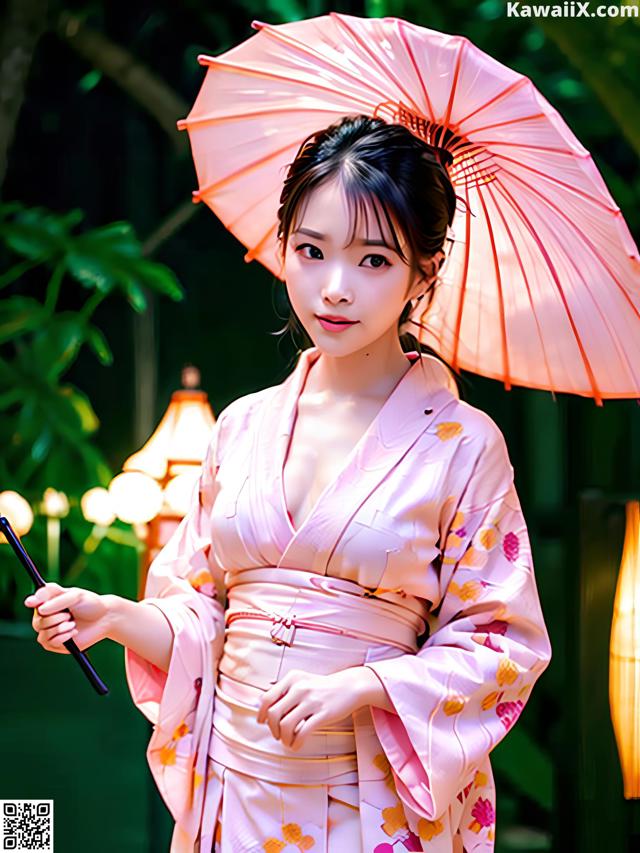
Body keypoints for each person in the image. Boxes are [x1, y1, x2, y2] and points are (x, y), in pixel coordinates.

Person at [25, 115, 552, 853]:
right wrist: (112, 614)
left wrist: (368, 684)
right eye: (311, 251)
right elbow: (202, 612)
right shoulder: (241, 427)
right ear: (284, 250)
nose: (334, 288)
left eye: (374, 260)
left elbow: (501, 642)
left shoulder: (462, 444)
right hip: (233, 796)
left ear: (423, 273)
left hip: (370, 806)